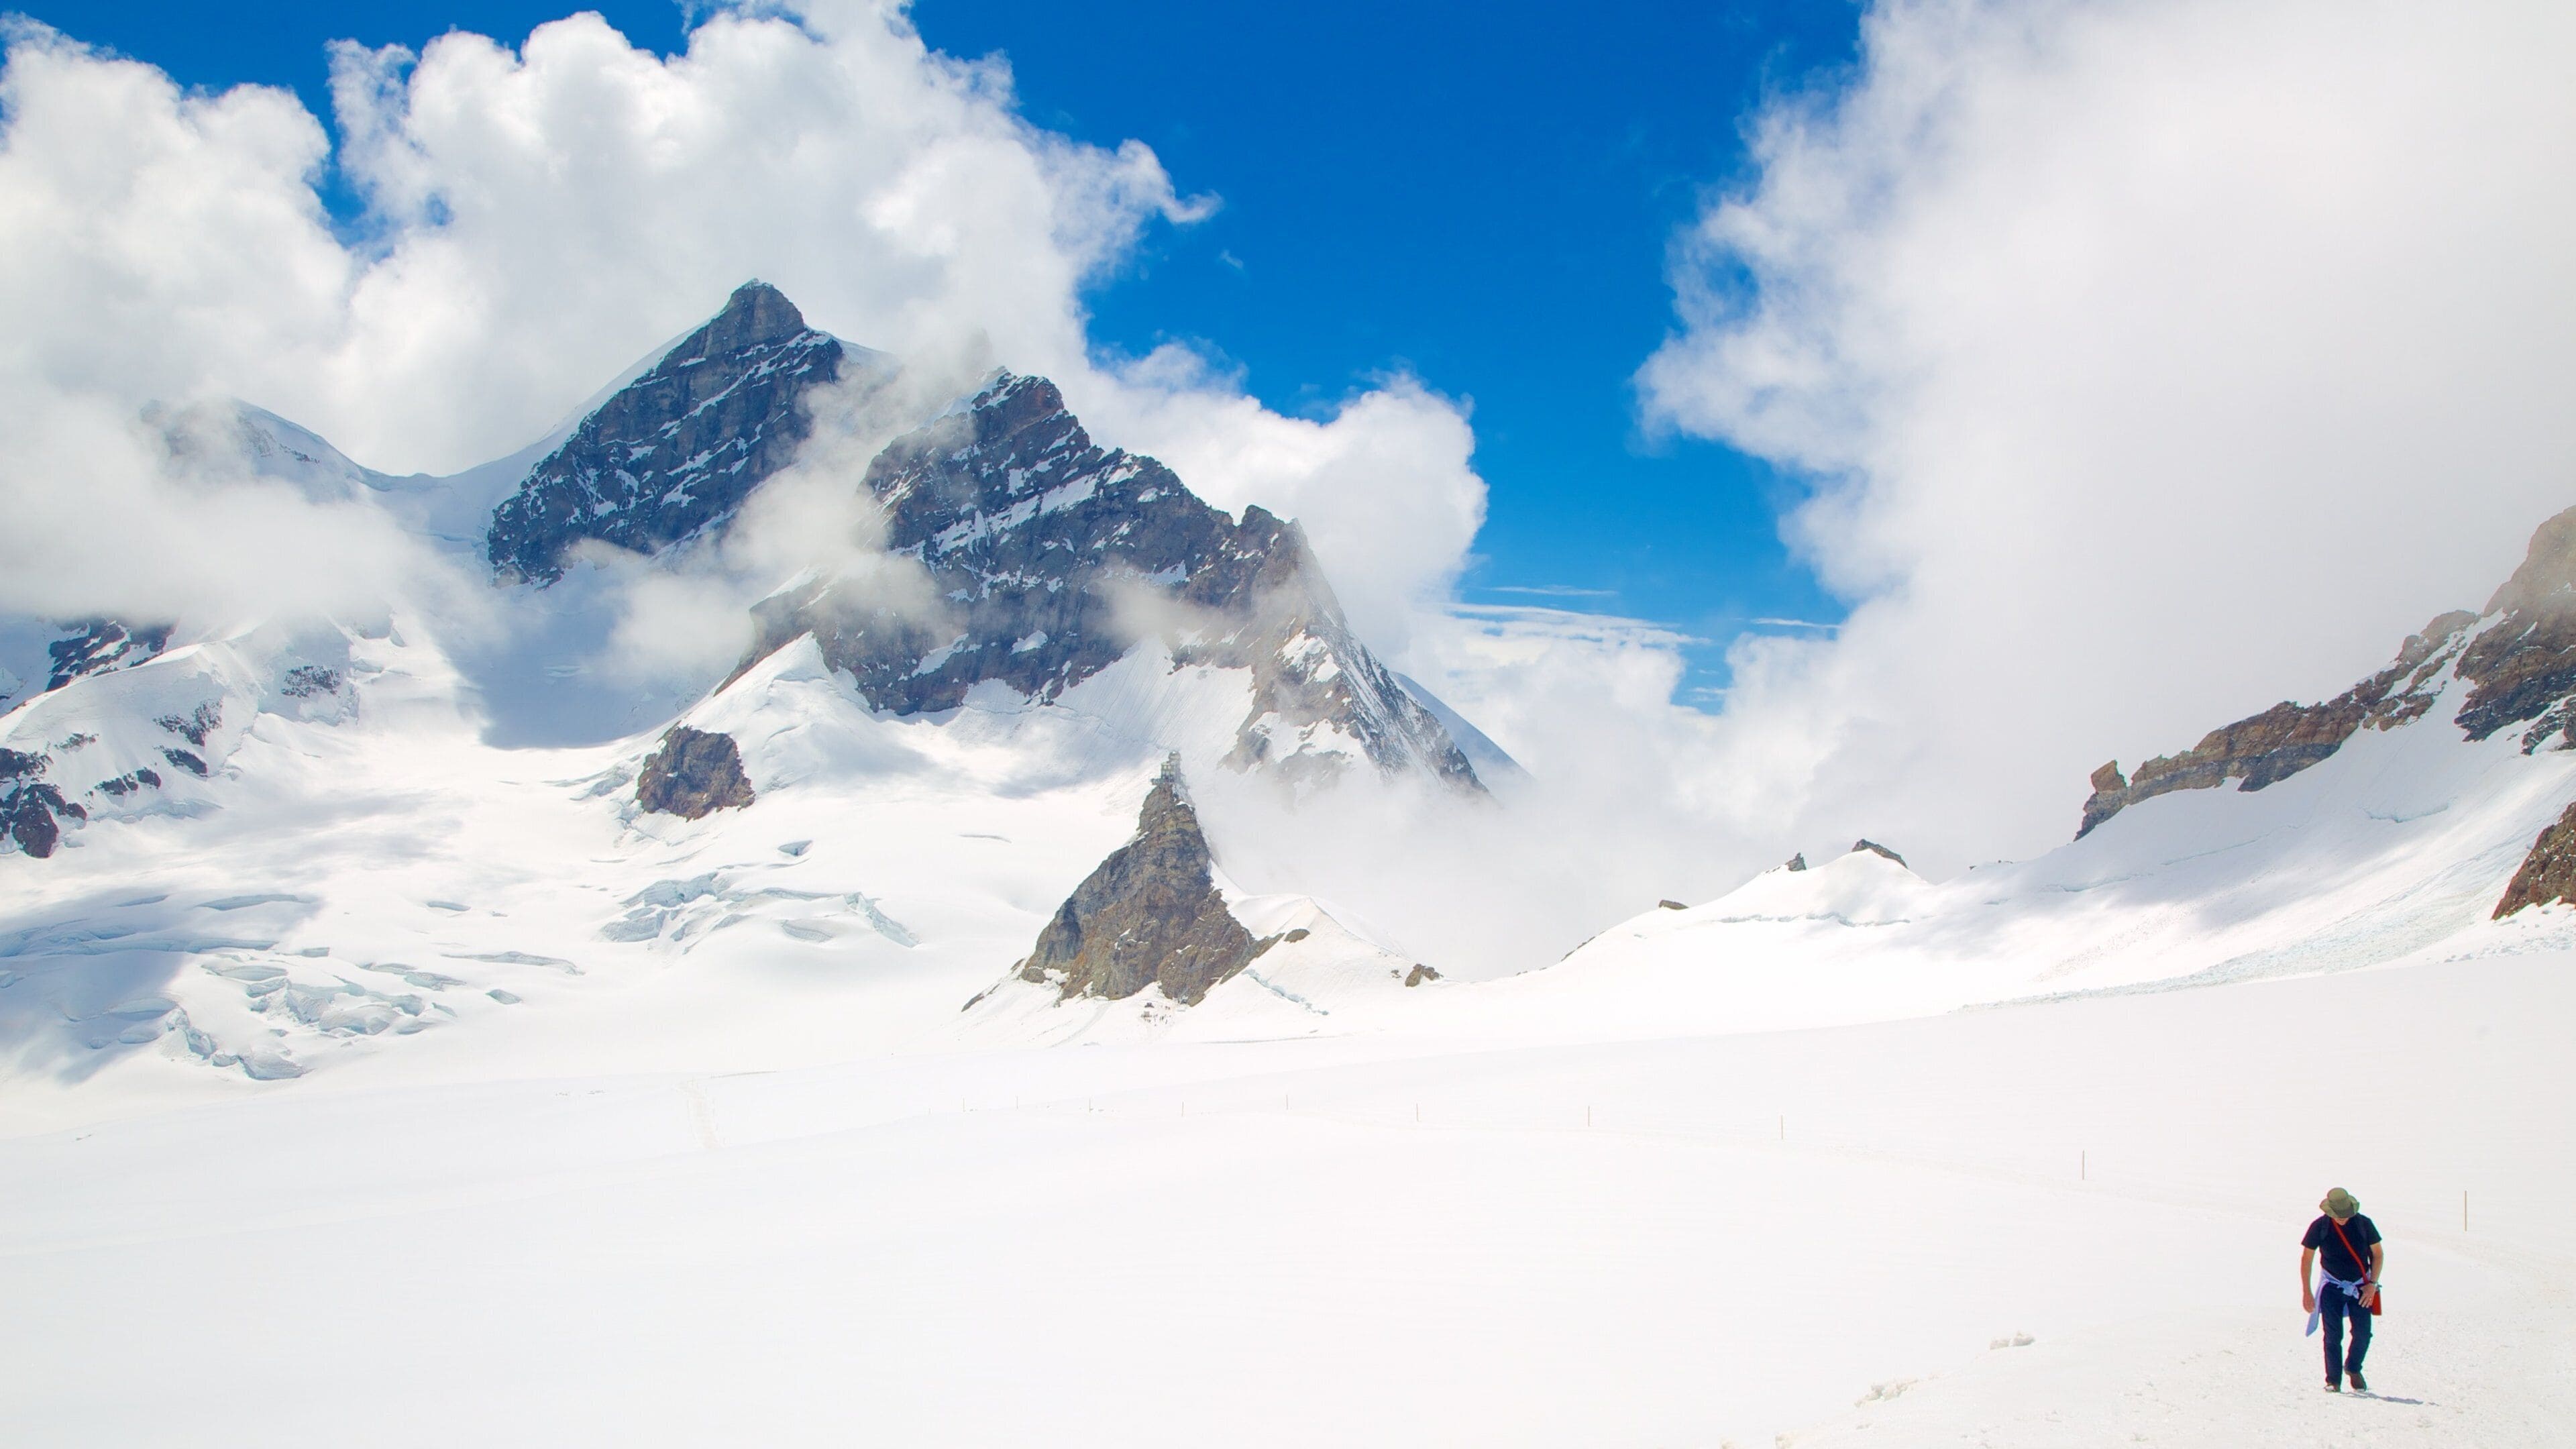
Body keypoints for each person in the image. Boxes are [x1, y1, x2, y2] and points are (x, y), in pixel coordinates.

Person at [2300, 1186, 2384, 1393]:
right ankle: (2333, 1381)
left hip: (2361, 1288)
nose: (2342, 1218)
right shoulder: (2319, 1227)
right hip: (2332, 1287)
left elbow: (2378, 1254)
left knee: (2364, 1333)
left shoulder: (2364, 1224)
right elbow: (2307, 1259)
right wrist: (2307, 1292)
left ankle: (2353, 1368)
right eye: (2338, 1215)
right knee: (2332, 1334)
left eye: (2345, 1215)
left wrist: (2372, 1285)